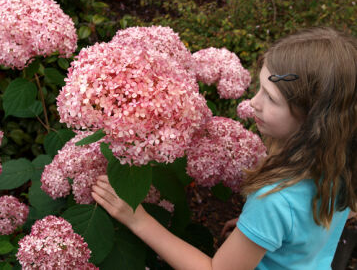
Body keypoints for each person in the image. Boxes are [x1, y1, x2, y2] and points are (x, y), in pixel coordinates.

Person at [91, 27, 357, 270]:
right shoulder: (341, 161)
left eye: (271, 98)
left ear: (313, 120)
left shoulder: (274, 200)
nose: (254, 102)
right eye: (259, 88)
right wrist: (255, 235)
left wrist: (137, 219)